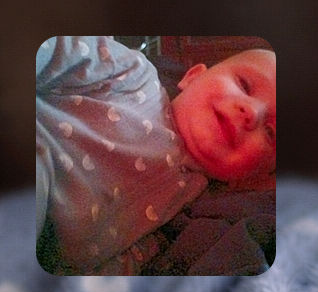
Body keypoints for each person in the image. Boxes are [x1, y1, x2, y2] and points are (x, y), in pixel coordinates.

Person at [36, 37, 276, 274]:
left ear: (249, 175)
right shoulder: (134, 74)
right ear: (192, 76)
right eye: (244, 85)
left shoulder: (185, 213)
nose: (252, 112)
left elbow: (129, 259)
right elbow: (58, 49)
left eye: (270, 132)